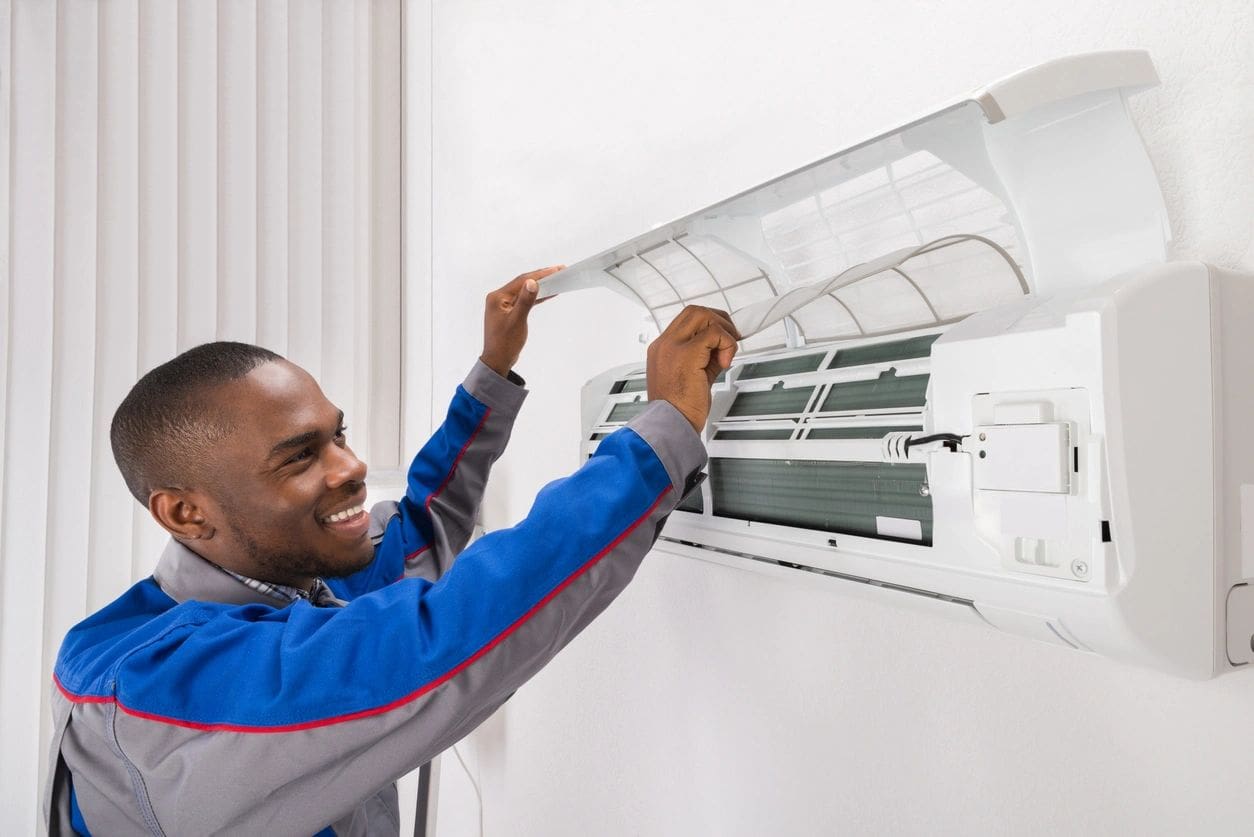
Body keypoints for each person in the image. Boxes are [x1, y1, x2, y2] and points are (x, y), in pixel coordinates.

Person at [42, 267, 741, 836]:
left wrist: (494, 370)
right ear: (187, 511)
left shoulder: (297, 581)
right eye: (300, 456)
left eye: (337, 433)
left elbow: (418, 528)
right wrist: (663, 432)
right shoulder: (154, 688)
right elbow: (447, 635)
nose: (351, 465)